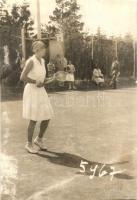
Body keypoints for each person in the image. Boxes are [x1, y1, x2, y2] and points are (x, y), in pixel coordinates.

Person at [20, 41, 54, 154]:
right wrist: (35, 82)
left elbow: (42, 79)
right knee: (33, 118)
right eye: (43, 48)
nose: (45, 50)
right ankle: (28, 144)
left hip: (41, 91)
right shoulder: (31, 61)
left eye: (45, 48)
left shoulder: (43, 61)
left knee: (47, 116)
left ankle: (39, 139)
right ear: (37, 50)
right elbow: (22, 77)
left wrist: (51, 79)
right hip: (31, 91)